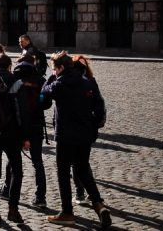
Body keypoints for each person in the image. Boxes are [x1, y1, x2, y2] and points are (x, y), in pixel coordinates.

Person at [42, 52, 111, 228]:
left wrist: (50, 78)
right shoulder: (87, 82)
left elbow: (44, 93)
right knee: (82, 170)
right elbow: (99, 106)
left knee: (63, 173)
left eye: (54, 69)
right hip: (85, 135)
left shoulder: (59, 84)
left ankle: (67, 212)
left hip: (65, 136)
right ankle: (99, 204)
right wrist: (93, 127)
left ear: (61, 68)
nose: (53, 72)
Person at [0, 51, 30, 226]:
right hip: (11, 134)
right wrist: (25, 136)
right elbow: (21, 112)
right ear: (9, 66)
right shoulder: (15, 82)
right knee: (17, 171)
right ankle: (13, 209)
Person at [1, 53, 48, 207]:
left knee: (12, 160)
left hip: (17, 125)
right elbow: (47, 104)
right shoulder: (41, 80)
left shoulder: (13, 79)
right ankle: (40, 197)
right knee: (37, 161)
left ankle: (7, 189)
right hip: (36, 124)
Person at [71, 54, 97, 206]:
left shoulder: (73, 83)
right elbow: (99, 107)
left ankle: (80, 193)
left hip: (74, 130)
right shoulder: (92, 81)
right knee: (84, 163)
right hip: (87, 129)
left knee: (76, 164)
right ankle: (91, 194)